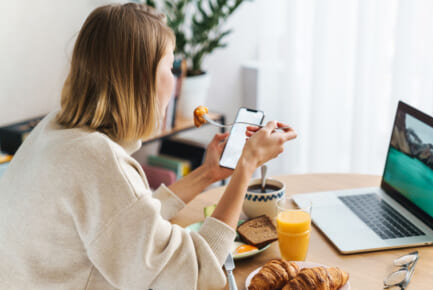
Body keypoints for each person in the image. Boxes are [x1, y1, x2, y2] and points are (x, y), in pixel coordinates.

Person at [0, 3, 297, 290]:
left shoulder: (53, 130)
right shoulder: (99, 162)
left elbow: (125, 222)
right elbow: (193, 274)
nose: (176, 78)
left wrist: (207, 173)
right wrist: (245, 168)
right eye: (171, 66)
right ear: (144, 80)